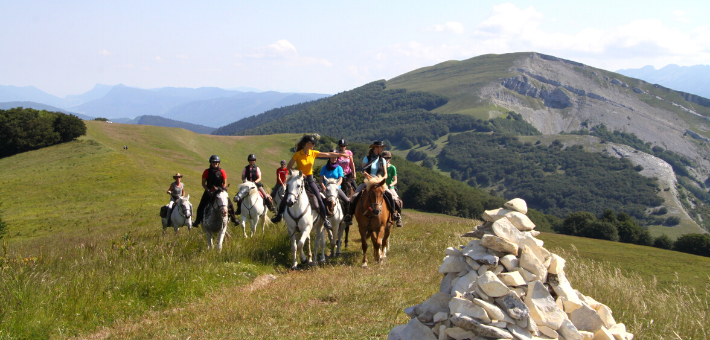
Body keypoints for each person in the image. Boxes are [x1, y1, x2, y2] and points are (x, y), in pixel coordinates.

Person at [270, 135, 347, 230]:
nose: (314, 145)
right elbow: (289, 167)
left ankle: (325, 219)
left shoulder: (313, 153)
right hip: (299, 178)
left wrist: (341, 155)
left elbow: (327, 154)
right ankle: (279, 215)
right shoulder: (297, 154)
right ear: (307, 144)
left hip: (310, 179)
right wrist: (298, 174)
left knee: (319, 198)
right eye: (313, 143)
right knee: (286, 196)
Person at [344, 141, 402, 227]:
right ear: (376, 148)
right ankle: (349, 215)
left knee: (391, 196)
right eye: (381, 147)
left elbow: (385, 174)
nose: (382, 149)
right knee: (354, 197)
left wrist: (381, 179)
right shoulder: (366, 158)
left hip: (379, 182)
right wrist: (370, 178)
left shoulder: (382, 160)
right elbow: (363, 172)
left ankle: (394, 214)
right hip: (367, 182)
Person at [194, 155, 236, 226]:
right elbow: (203, 183)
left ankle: (234, 219)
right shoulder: (206, 171)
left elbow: (225, 183)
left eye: (216, 162)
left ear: (219, 163)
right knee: (201, 205)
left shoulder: (222, 171)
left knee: (230, 204)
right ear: (210, 162)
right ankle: (197, 220)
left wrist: (222, 190)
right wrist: (208, 190)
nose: (215, 163)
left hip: (220, 191)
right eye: (213, 162)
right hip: (209, 191)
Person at [382, 151, 403, 227]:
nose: (386, 159)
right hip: (381, 186)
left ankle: (397, 216)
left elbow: (395, 180)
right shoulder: (379, 167)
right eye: (385, 158)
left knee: (397, 200)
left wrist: (390, 185)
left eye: (388, 158)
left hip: (390, 187)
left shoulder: (392, 167)